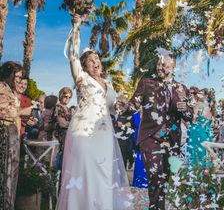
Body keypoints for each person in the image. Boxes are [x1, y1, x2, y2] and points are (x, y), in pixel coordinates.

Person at [57, 15, 131, 210]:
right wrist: (77, 26)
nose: (95, 62)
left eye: (96, 58)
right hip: (83, 131)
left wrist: (120, 106)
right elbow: (72, 55)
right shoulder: (81, 78)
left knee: (104, 172)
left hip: (104, 133)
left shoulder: (109, 84)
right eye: (90, 61)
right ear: (84, 66)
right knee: (85, 171)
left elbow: (112, 108)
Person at [120, 53, 193, 210]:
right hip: (150, 137)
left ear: (173, 67)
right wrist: (124, 108)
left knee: (165, 178)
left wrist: (186, 109)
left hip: (172, 140)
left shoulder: (182, 88)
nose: (160, 67)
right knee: (155, 177)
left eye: (164, 65)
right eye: (159, 64)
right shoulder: (147, 83)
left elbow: (190, 115)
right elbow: (134, 105)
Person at [0, 61, 31, 209]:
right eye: (16, 76)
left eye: (20, 76)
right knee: (4, 175)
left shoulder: (12, 91)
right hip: (4, 137)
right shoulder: (1, 88)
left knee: (11, 177)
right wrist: (22, 111)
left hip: (13, 138)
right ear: (8, 74)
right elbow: (5, 112)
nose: (19, 80)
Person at [186, 88, 215, 166]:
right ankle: (207, 172)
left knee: (195, 152)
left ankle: (196, 172)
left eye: (201, 93)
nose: (198, 95)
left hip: (197, 131)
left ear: (206, 96)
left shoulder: (199, 104)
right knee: (205, 152)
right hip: (207, 133)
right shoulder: (210, 107)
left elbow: (194, 119)